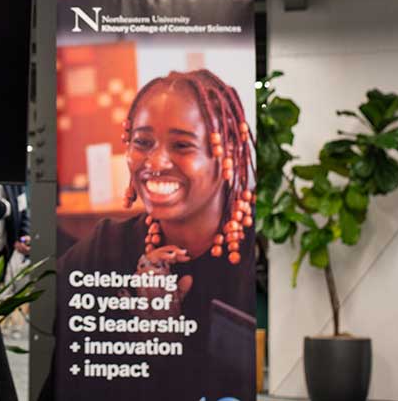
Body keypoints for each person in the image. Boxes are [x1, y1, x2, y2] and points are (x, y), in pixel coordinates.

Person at [56, 69, 256, 400]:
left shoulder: (253, 259)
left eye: (182, 145)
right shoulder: (103, 250)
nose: (157, 162)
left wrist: (169, 341)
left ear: (227, 152)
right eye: (142, 143)